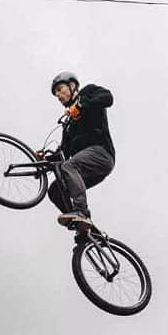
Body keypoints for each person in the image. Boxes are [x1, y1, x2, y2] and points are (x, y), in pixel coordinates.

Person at [44, 72, 115, 236]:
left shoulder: (88, 92)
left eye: (60, 90)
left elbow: (108, 98)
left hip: (101, 154)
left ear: (72, 85)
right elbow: (63, 153)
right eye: (56, 95)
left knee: (69, 166)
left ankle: (81, 213)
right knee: (55, 190)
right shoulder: (69, 124)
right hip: (84, 169)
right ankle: (85, 230)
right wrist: (44, 159)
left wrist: (82, 104)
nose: (59, 96)